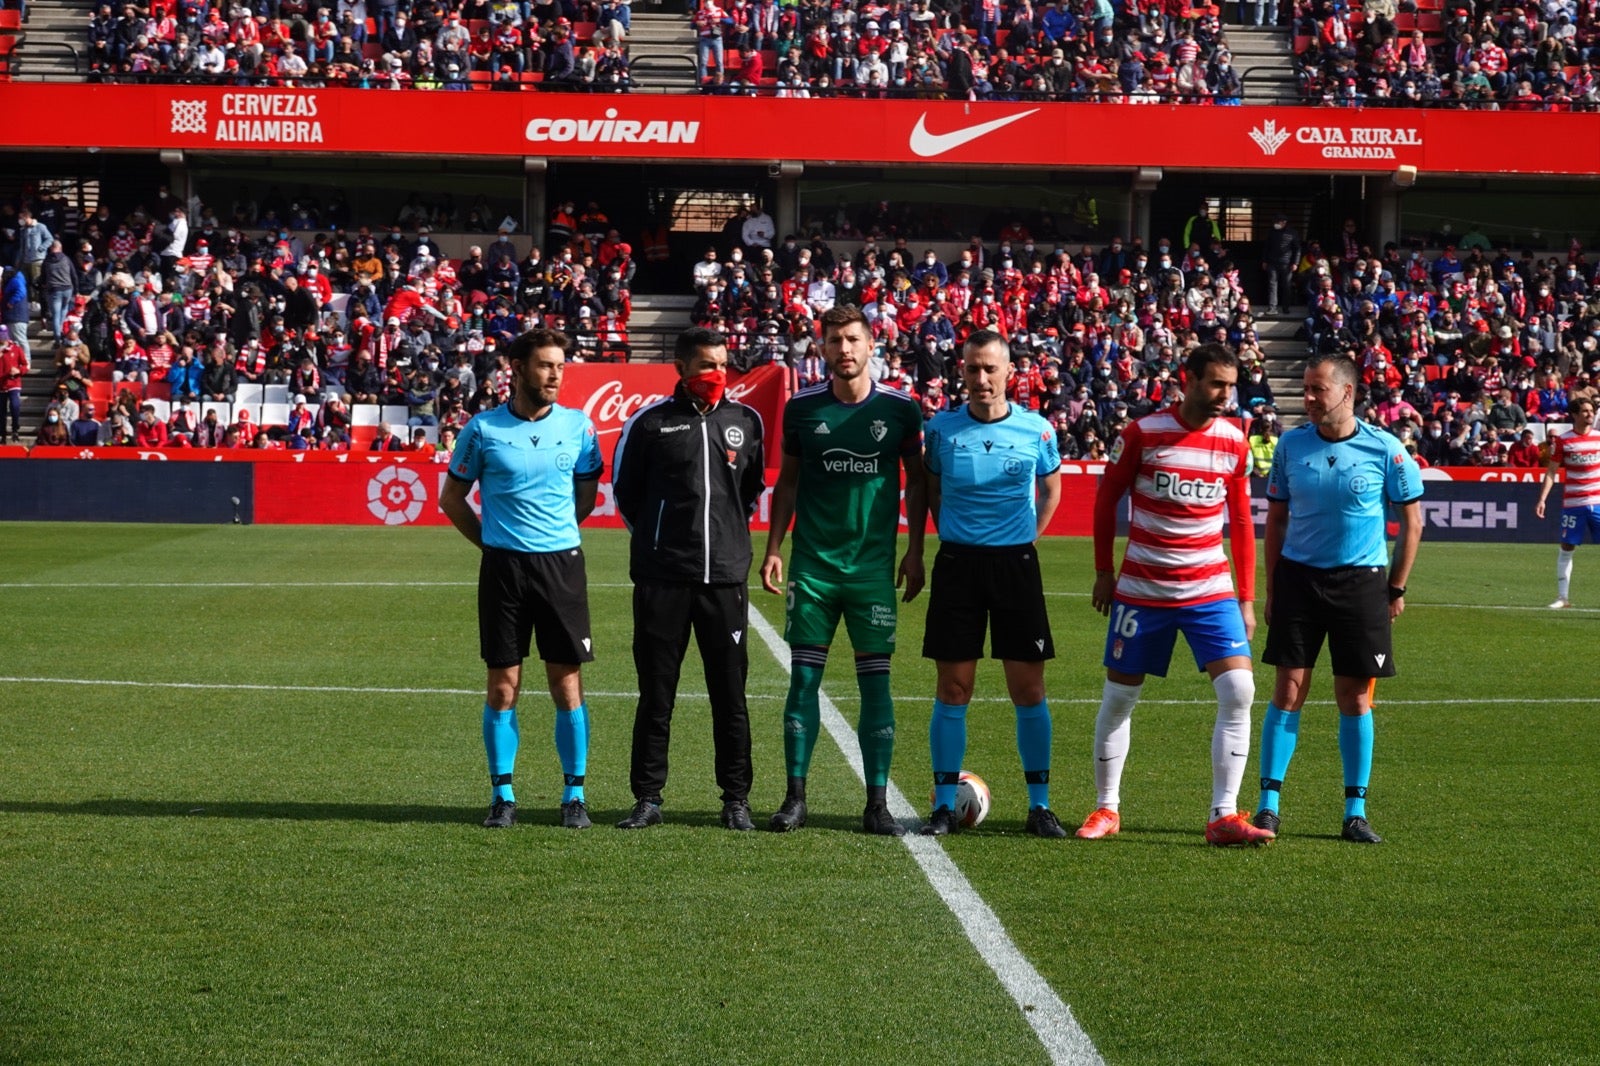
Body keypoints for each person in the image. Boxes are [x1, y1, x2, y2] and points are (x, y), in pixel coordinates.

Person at [1075, 343, 1275, 847]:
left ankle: (1223, 815)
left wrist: (1246, 599)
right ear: (1187, 380)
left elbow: (1242, 521)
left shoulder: (1234, 440)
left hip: (1211, 590)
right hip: (1143, 591)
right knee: (1120, 698)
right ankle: (1106, 808)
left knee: (1240, 692)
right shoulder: (1143, 433)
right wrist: (1104, 571)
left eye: (1231, 386)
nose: (1226, 396)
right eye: (1216, 384)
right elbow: (1106, 499)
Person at [760, 304, 928, 836]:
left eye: (853, 339)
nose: (844, 350)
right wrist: (774, 547)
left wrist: (917, 549)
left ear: (872, 343)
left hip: (872, 569)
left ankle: (876, 805)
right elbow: (787, 481)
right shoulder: (802, 408)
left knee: (875, 686)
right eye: (834, 341)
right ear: (822, 347)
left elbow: (919, 482)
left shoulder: (902, 410)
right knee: (803, 680)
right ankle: (795, 798)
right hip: (813, 567)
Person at [1253, 353, 1423, 845]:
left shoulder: (1385, 449)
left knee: (1355, 697)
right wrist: (1272, 586)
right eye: (1305, 389)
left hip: (1361, 585)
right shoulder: (1290, 446)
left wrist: (1395, 588)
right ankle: (1268, 807)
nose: (1307, 399)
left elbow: (1412, 522)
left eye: (1316, 390)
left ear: (1346, 393)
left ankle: (1355, 812)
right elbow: (1277, 520)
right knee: (1287, 691)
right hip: (1299, 582)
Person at [439, 328, 604, 831]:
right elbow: (452, 499)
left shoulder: (579, 426)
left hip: (561, 567)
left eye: (560, 366)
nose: (556, 374)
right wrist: (492, 545)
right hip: (504, 571)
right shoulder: (482, 429)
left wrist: (555, 536)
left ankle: (573, 796)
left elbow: (586, 494)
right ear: (517, 367)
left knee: (566, 683)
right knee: (502, 688)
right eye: (546, 365)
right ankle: (502, 795)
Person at [610, 326, 767, 831]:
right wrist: (660, 544)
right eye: (705, 365)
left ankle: (736, 799)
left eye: (722, 364)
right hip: (662, 579)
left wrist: (726, 544)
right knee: (657, 693)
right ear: (680, 368)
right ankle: (648, 798)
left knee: (731, 695)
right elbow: (627, 494)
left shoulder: (746, 420)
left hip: (724, 581)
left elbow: (749, 492)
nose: (715, 374)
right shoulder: (649, 423)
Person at [918, 330, 1066, 838]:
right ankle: (942, 805)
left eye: (990, 369)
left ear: (1008, 373)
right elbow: (932, 488)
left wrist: (1027, 539)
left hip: (1015, 568)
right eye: (972, 369)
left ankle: (1039, 806)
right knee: (953, 687)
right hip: (958, 566)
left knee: (1029, 688)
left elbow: (1051, 489)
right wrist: (954, 535)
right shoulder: (940, 430)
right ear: (962, 371)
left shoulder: (1037, 430)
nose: (981, 378)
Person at [1535, 396, 1600, 609]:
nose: (1590, 414)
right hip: (1574, 503)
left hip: (1598, 502)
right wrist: (1542, 499)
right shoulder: (1564, 441)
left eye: (1591, 411)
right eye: (1585, 411)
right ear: (1574, 414)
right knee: (1567, 547)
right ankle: (1563, 597)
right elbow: (1551, 472)